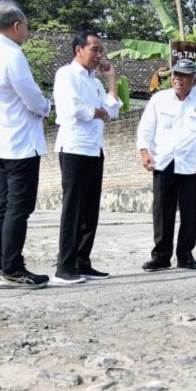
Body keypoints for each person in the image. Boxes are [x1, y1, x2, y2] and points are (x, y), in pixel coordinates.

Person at [0, 0, 52, 289]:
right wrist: (46, 106)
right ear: (17, 25)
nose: (27, 34)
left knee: (3, 205)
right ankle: (12, 270)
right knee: (19, 208)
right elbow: (32, 97)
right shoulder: (12, 54)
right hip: (20, 142)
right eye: (26, 28)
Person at [136, 58, 196, 272]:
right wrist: (144, 151)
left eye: (184, 76)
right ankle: (161, 257)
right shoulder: (159, 100)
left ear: (194, 80)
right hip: (164, 162)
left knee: (190, 212)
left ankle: (185, 255)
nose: (178, 79)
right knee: (162, 211)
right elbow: (145, 127)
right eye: (176, 75)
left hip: (193, 164)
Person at [51, 31, 120, 285]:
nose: (99, 55)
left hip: (94, 148)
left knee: (90, 210)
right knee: (73, 209)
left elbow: (112, 111)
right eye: (95, 49)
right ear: (79, 49)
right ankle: (64, 266)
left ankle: (83, 261)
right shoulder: (66, 75)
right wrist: (97, 111)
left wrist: (111, 79)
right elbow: (71, 109)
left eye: (101, 50)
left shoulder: (95, 82)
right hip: (73, 148)